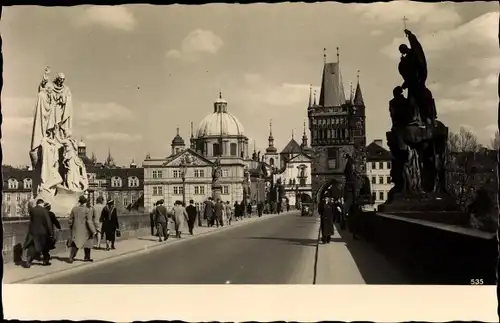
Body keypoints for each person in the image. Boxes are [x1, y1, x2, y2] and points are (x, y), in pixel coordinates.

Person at [22, 199, 54, 267]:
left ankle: (28, 261)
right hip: (42, 232)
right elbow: (48, 223)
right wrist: (51, 234)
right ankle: (45, 261)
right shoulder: (45, 211)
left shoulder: (32, 210)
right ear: (42, 204)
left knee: (32, 247)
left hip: (33, 232)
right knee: (45, 247)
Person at [68, 196, 97, 263]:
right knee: (88, 242)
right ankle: (87, 257)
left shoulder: (74, 209)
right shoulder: (87, 210)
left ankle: (71, 257)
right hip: (85, 230)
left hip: (76, 229)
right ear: (85, 202)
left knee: (75, 243)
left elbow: (70, 219)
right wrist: (93, 231)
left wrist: (71, 226)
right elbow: (89, 221)